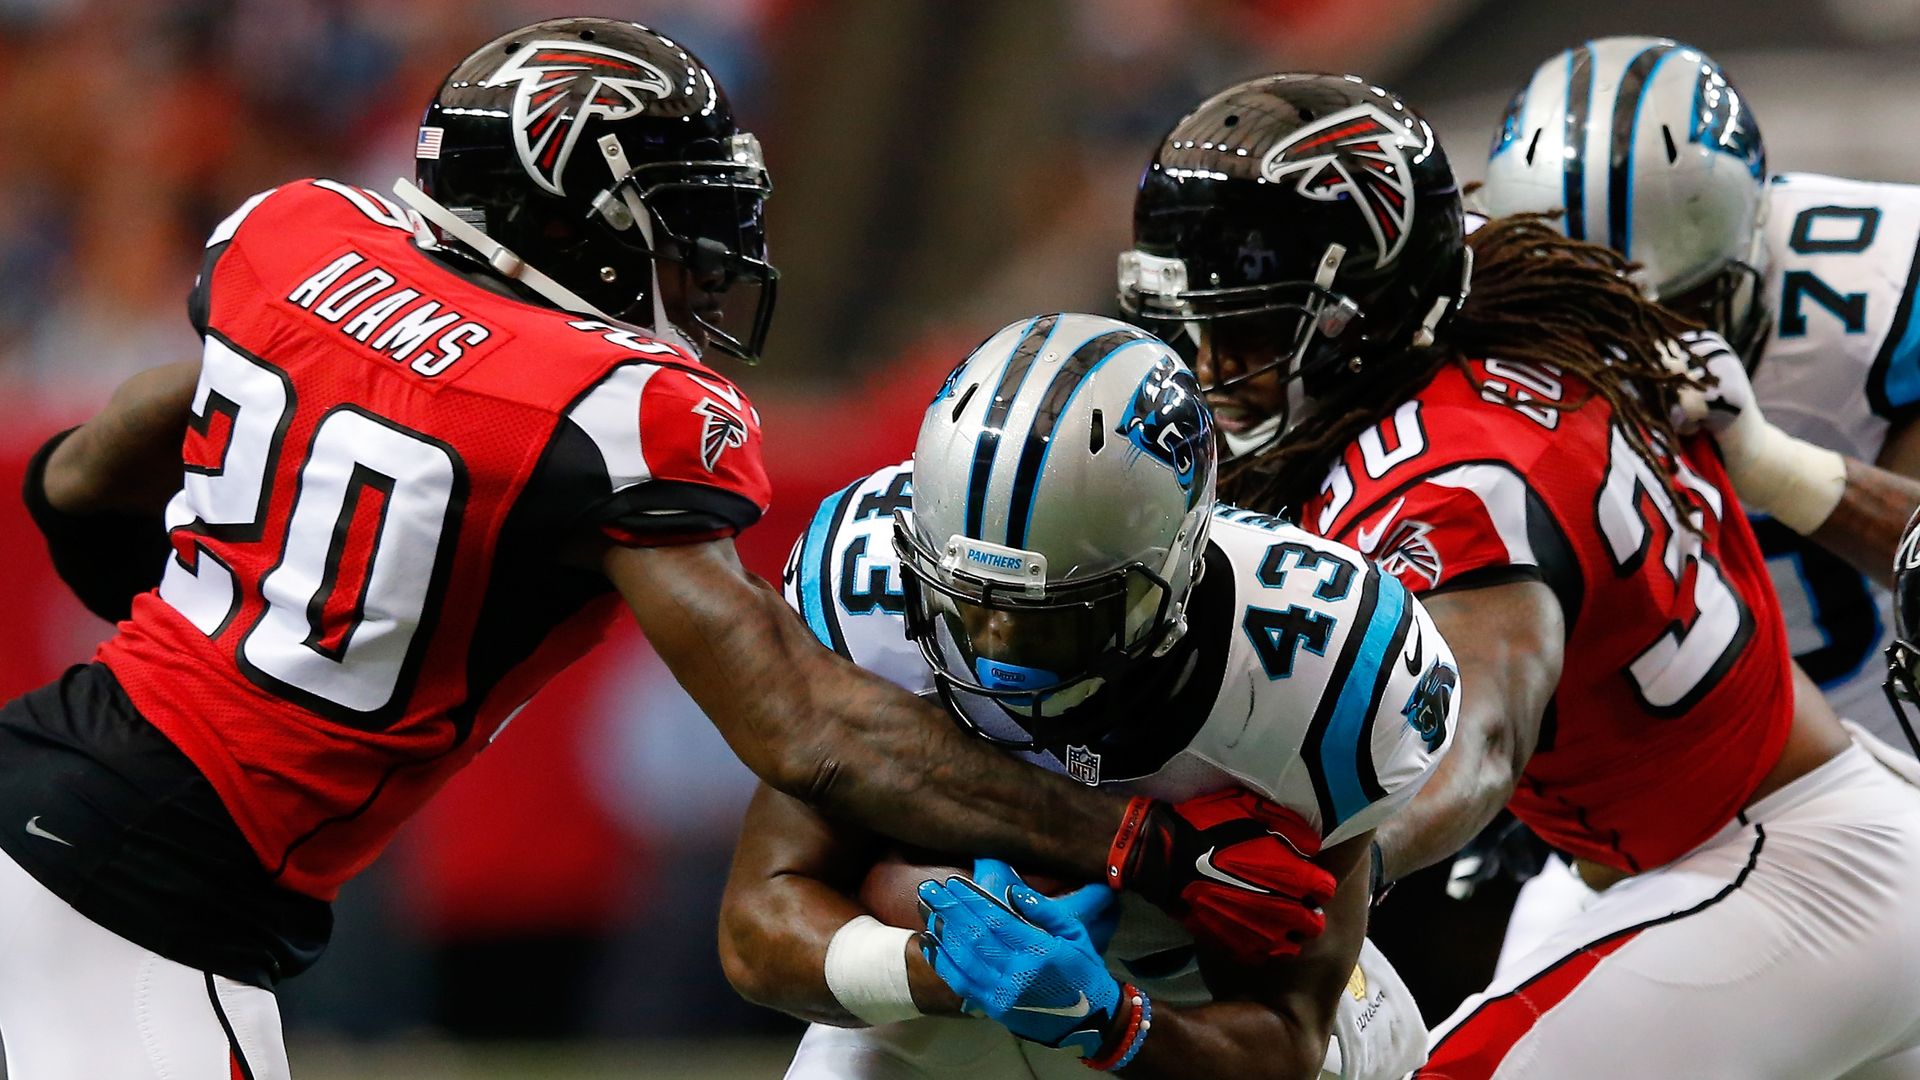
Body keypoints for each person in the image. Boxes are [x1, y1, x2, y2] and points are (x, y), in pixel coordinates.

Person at [3, 21, 1328, 1079]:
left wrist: (239, 615)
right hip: (140, 900)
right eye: (674, 222)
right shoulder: (602, 406)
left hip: (54, 781)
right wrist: (1141, 848)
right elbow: (809, 731)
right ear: (569, 211)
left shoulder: (304, 241)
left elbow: (80, 475)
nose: (701, 268)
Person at [1118, 71, 1920, 1077]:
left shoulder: (1446, 478)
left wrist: (1324, 855)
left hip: (1774, 863)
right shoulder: (1497, 298)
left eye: (1244, 328)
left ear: (1356, 311)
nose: (1205, 365)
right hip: (1719, 843)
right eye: (1193, 322)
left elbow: (1479, 735)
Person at [724, 312, 1451, 1079]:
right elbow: (758, 921)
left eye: (1048, 620)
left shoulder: (1318, 669)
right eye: (967, 605)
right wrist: (957, 970)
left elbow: (1287, 1036)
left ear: (1174, 571)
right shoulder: (861, 592)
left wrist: (1107, 1021)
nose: (995, 649)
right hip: (954, 1006)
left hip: (1199, 1010)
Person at [1480, 36, 1920, 751]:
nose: (1636, 353)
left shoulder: (1885, 291)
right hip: (1679, 773)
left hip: (1892, 725)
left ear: (1753, 235)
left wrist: (1770, 463)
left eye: (1682, 309)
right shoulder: (1484, 328)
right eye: (1590, 319)